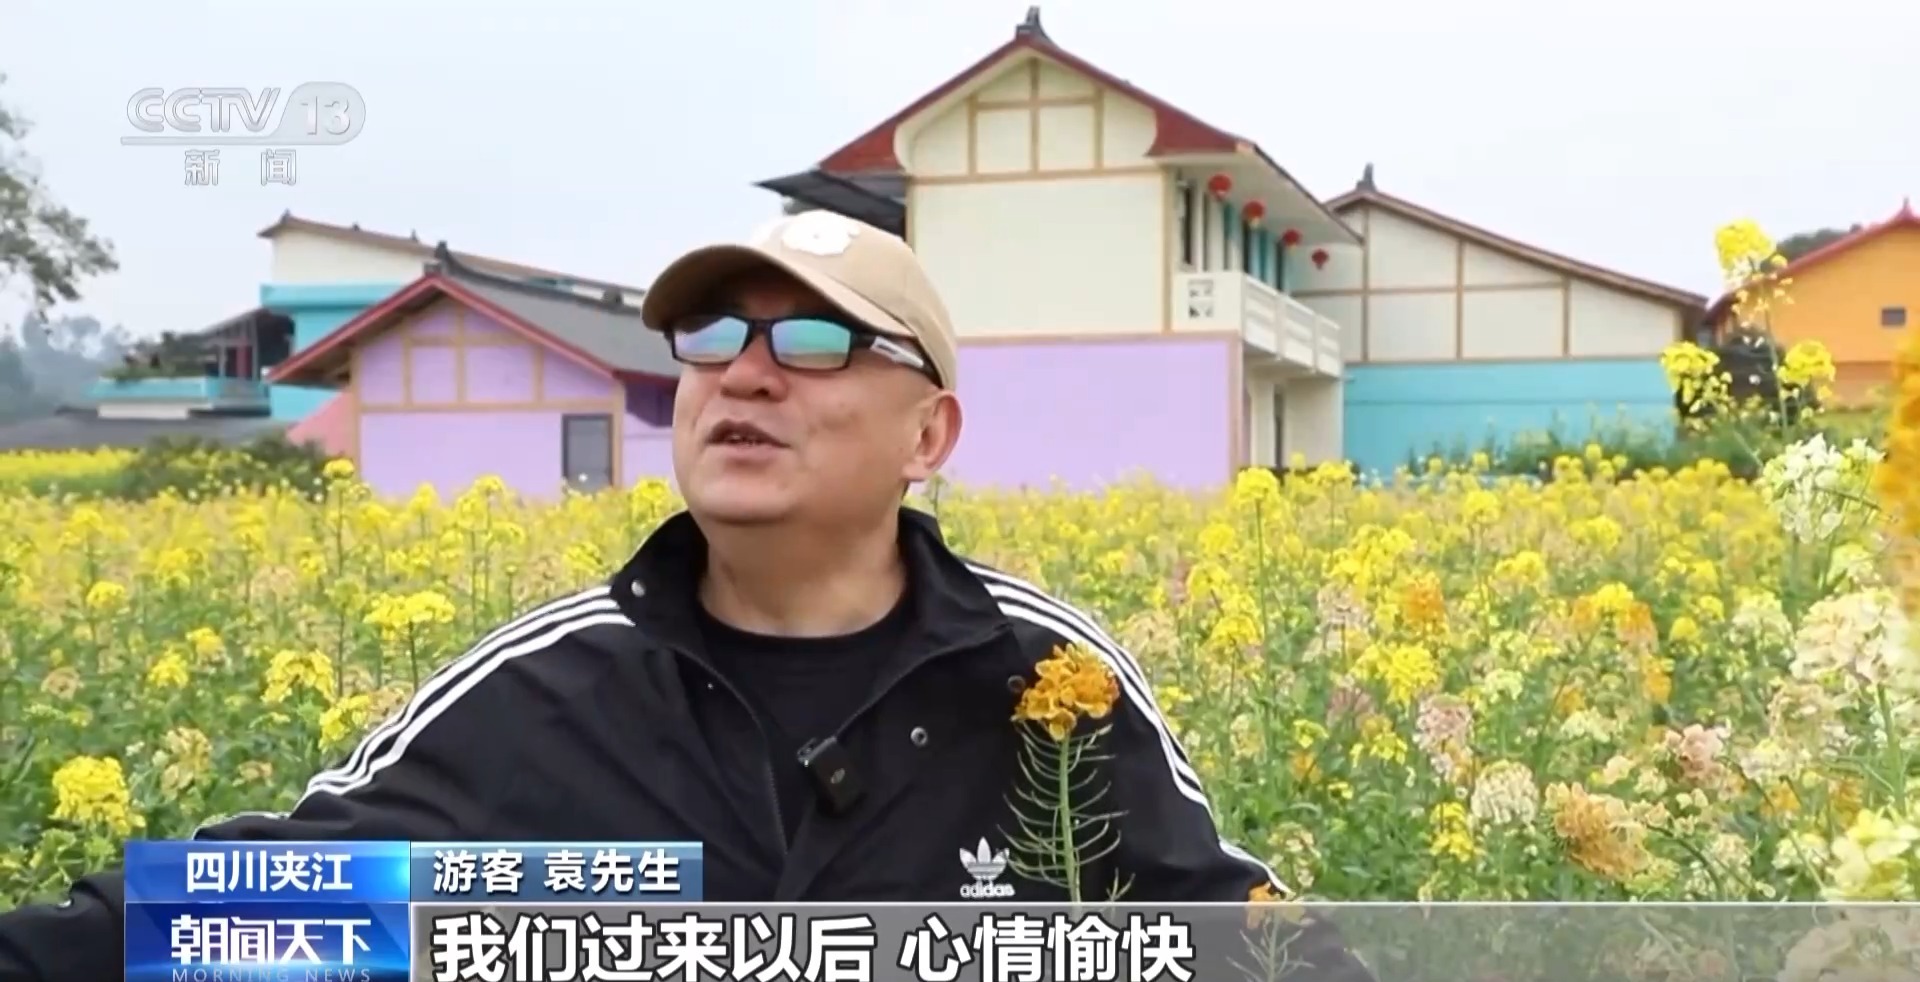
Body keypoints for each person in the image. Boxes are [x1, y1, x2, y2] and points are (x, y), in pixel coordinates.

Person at [0, 210, 1364, 980]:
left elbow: (1247, 940)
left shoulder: (1049, 686)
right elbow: (236, 912)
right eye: (711, 337)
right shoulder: (539, 691)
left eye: (815, 339)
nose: (744, 373)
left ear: (929, 434)